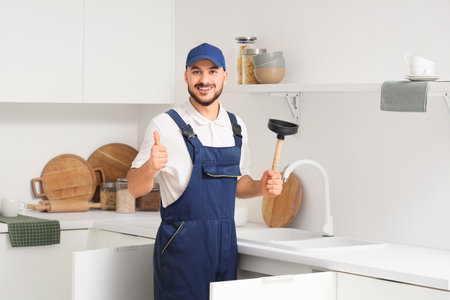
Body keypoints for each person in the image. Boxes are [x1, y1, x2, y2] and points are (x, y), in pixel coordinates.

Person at [127, 42, 283, 300]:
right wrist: (150, 166)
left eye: (212, 71)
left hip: (224, 245)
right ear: (186, 76)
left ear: (224, 76)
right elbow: (134, 187)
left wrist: (261, 187)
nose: (204, 79)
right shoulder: (165, 125)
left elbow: (238, 182)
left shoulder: (236, 126)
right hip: (181, 248)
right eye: (197, 71)